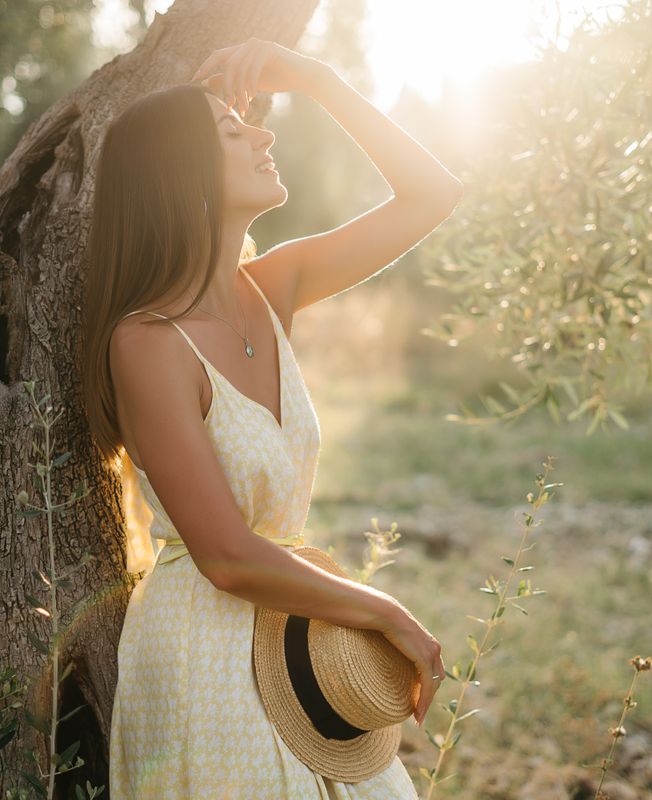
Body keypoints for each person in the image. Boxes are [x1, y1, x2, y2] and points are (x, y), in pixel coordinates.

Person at [79, 37, 463, 798]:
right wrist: (386, 611)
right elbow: (225, 554)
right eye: (231, 131)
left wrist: (320, 80)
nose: (264, 133)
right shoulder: (148, 342)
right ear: (178, 178)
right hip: (208, 652)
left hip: (300, 636)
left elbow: (433, 195)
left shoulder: (273, 285)